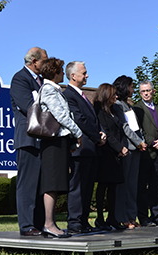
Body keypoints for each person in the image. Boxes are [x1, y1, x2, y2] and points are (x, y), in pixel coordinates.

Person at [38, 57, 82, 238]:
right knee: (51, 183)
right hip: (52, 142)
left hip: (60, 141)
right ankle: (49, 224)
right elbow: (61, 115)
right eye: (60, 70)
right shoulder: (48, 89)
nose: (63, 73)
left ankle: (51, 223)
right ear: (54, 73)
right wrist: (78, 132)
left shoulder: (55, 89)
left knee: (55, 183)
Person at [63, 61, 107, 234]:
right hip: (80, 149)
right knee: (77, 188)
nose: (87, 76)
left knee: (88, 188)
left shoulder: (83, 96)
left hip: (91, 150)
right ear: (73, 75)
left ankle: (83, 222)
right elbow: (79, 120)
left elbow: (93, 119)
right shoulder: (68, 95)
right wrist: (97, 137)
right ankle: (74, 223)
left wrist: (101, 133)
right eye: (84, 73)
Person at [10, 47, 48, 236]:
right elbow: (28, 107)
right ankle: (27, 226)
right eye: (44, 61)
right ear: (34, 62)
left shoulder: (42, 82)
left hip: (44, 140)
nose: (47, 64)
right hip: (29, 139)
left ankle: (40, 224)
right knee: (27, 184)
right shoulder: (20, 79)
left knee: (42, 184)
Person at [134, 81, 158, 227]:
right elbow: (139, 130)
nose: (146, 93)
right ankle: (143, 217)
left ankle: (156, 215)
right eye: (143, 91)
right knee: (142, 186)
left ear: (153, 91)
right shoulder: (136, 109)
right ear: (140, 93)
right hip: (145, 153)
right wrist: (152, 142)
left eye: (148, 90)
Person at [112, 76, 147, 229]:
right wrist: (139, 142)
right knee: (124, 185)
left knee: (133, 185)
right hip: (128, 149)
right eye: (132, 87)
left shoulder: (128, 105)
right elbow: (126, 128)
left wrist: (142, 141)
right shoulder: (118, 105)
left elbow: (136, 127)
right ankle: (123, 218)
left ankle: (132, 217)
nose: (133, 90)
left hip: (137, 150)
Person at [94, 84, 128, 230]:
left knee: (113, 188)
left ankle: (112, 217)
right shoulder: (99, 111)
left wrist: (121, 148)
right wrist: (119, 148)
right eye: (113, 95)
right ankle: (100, 218)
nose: (116, 97)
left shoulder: (114, 110)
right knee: (103, 187)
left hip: (116, 156)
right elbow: (106, 132)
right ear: (106, 95)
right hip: (106, 154)